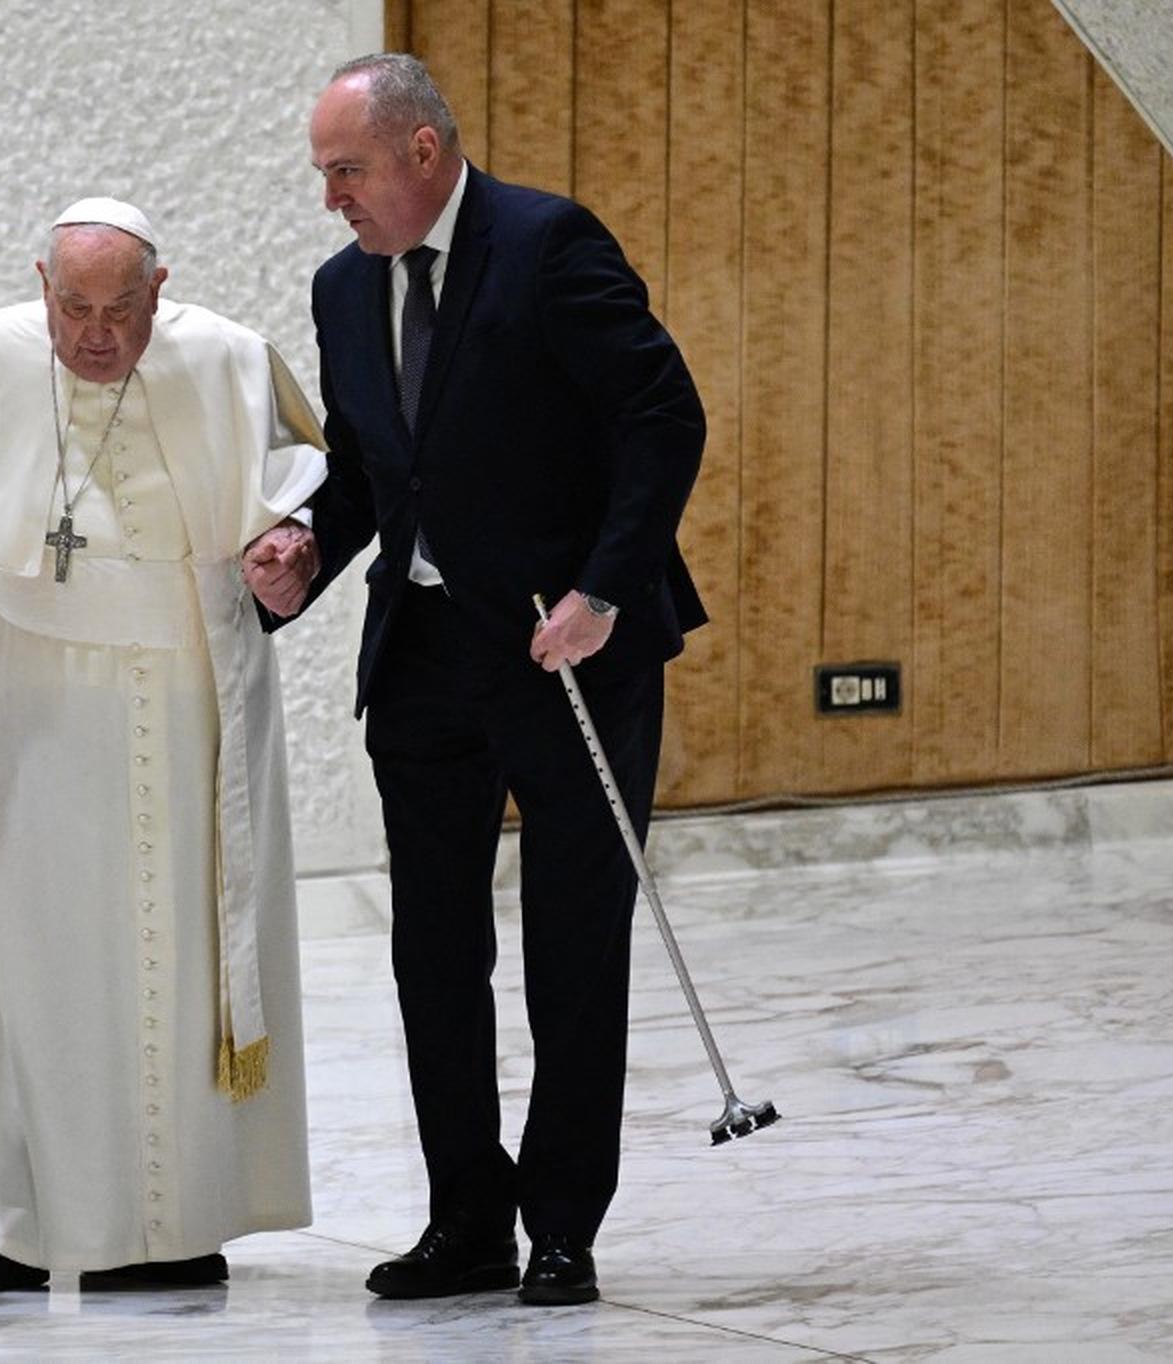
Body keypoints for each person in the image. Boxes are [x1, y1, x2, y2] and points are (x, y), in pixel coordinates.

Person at [253, 53, 705, 1306]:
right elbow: (366, 470)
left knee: (570, 946)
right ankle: (467, 1215)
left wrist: (602, 590)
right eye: (322, 174)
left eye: (344, 171)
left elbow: (662, 417)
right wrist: (300, 549)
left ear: (418, 150)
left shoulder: (546, 242)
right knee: (431, 953)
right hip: (427, 655)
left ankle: (560, 1222)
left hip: (569, 647)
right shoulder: (342, 289)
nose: (330, 198)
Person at [0, 198, 324, 1295]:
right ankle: (3, 1216)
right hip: (33, 693)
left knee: (183, 951)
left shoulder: (229, 357)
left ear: (162, 287)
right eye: (72, 307)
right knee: (16, 944)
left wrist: (289, 543)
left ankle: (173, 1217)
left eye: (120, 309)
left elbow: (298, 481)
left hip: (193, 684)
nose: (95, 334)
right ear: (39, 283)